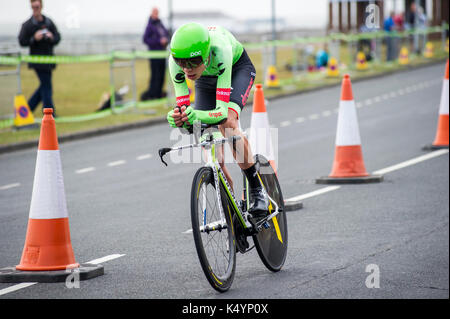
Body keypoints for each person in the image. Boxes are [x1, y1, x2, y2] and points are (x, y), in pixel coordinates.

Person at [166, 23, 269, 217]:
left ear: (205, 55)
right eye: (181, 62)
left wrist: (195, 115)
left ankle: (257, 189)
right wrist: (179, 118)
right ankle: (230, 204)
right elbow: (185, 111)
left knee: (228, 125)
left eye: (193, 61)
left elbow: (221, 113)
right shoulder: (175, 64)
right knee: (207, 141)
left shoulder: (220, 49)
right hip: (205, 79)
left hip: (236, 69)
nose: (187, 69)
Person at [18, 0, 60, 116]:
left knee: (45, 87)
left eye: (37, 6)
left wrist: (51, 37)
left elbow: (57, 37)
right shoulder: (27, 25)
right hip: (37, 62)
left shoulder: (49, 22)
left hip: (49, 61)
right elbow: (22, 41)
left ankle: (26, 111)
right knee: (46, 87)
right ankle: (49, 114)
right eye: (33, 7)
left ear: (41, 6)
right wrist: (34, 39)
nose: (35, 9)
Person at [141, 7, 169, 101]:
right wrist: (158, 41)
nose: (156, 14)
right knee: (155, 75)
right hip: (154, 55)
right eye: (155, 12)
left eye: (157, 13)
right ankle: (153, 94)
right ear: (152, 13)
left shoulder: (160, 24)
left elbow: (166, 34)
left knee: (161, 75)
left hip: (162, 54)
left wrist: (166, 41)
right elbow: (145, 39)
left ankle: (159, 93)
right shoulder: (149, 26)